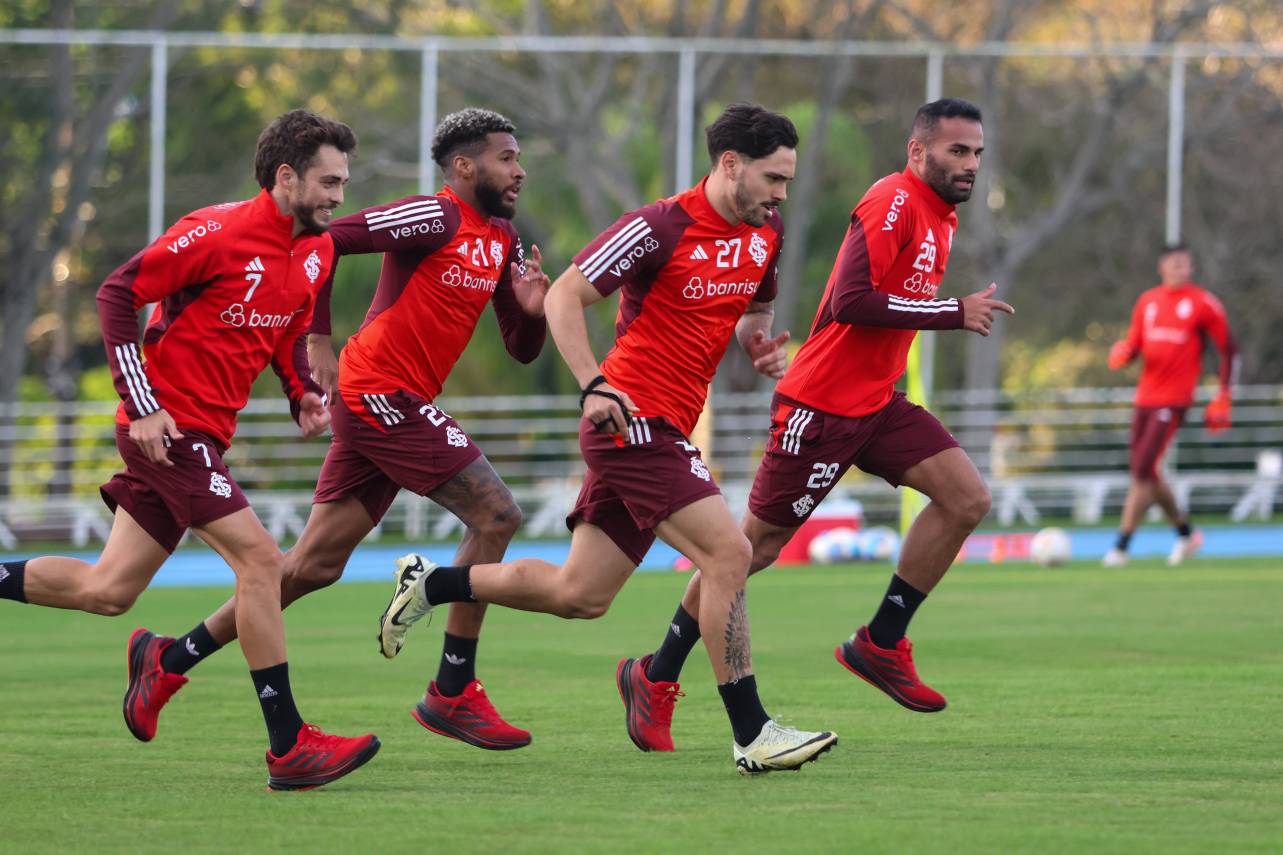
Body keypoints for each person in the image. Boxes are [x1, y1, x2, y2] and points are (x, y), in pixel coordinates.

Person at [377, 103, 837, 776]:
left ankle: (433, 581)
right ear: (730, 165)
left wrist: (757, 344)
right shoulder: (658, 226)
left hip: (665, 425)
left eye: (787, 181)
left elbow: (754, 308)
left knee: (580, 595)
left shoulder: (765, 229)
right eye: (772, 178)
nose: (780, 194)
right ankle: (751, 730)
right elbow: (562, 295)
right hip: (631, 423)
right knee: (729, 552)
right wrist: (593, 384)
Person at [132, 108, 550, 750]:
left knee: (311, 567)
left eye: (518, 159)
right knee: (497, 516)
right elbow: (325, 238)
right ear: (465, 167)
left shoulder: (504, 240)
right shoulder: (431, 216)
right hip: (381, 393)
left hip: (393, 404)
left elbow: (521, 347)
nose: (519, 170)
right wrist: (318, 339)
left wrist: (533, 310)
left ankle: (169, 659)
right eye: (506, 158)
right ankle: (453, 691)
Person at [616, 97, 1013, 751]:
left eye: (975, 153)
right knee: (747, 552)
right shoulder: (892, 200)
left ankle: (881, 641)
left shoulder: (942, 216)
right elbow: (851, 300)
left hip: (876, 402)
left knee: (966, 497)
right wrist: (950, 311)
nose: (969, 164)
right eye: (956, 151)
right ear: (917, 153)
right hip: (821, 406)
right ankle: (653, 677)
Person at [0, 109, 380, 791]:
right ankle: (289, 744)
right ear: (286, 176)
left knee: (107, 589)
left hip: (205, 436)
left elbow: (286, 330)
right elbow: (117, 292)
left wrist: (300, 391)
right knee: (263, 560)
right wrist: (142, 404)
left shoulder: (317, 250)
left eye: (344, 183)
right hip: (169, 431)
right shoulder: (217, 231)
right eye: (328, 182)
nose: (338, 197)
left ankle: (155, 659)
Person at [1102, 243, 1236, 567]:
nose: (1181, 269)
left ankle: (1121, 547)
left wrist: (1223, 395)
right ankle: (1186, 534)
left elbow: (1230, 349)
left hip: (1174, 399)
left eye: (1186, 264)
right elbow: (1134, 344)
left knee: (1142, 470)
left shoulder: (1203, 303)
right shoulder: (1148, 301)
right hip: (1145, 397)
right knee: (1147, 471)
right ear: (1162, 267)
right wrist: (1123, 353)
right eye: (1175, 264)